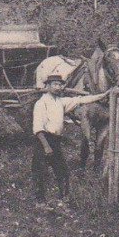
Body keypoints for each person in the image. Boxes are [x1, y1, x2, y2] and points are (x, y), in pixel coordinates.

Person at [31, 74, 110, 202]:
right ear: (48, 86)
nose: (58, 87)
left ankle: (63, 200)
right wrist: (46, 146)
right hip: (44, 140)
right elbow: (38, 128)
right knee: (40, 172)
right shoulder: (41, 103)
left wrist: (103, 95)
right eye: (54, 84)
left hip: (56, 141)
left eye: (59, 85)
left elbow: (80, 100)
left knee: (63, 172)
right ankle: (40, 202)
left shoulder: (60, 102)